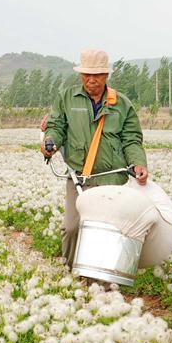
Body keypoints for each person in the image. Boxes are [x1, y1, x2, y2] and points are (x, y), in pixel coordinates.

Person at [42, 48, 149, 268]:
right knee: (72, 227)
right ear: (80, 75)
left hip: (112, 179)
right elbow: (57, 126)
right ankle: (70, 273)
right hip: (80, 178)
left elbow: (131, 139)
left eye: (97, 75)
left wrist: (138, 162)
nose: (91, 80)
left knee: (111, 230)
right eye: (87, 75)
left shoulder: (121, 104)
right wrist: (50, 142)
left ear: (106, 76)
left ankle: (105, 277)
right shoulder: (67, 98)